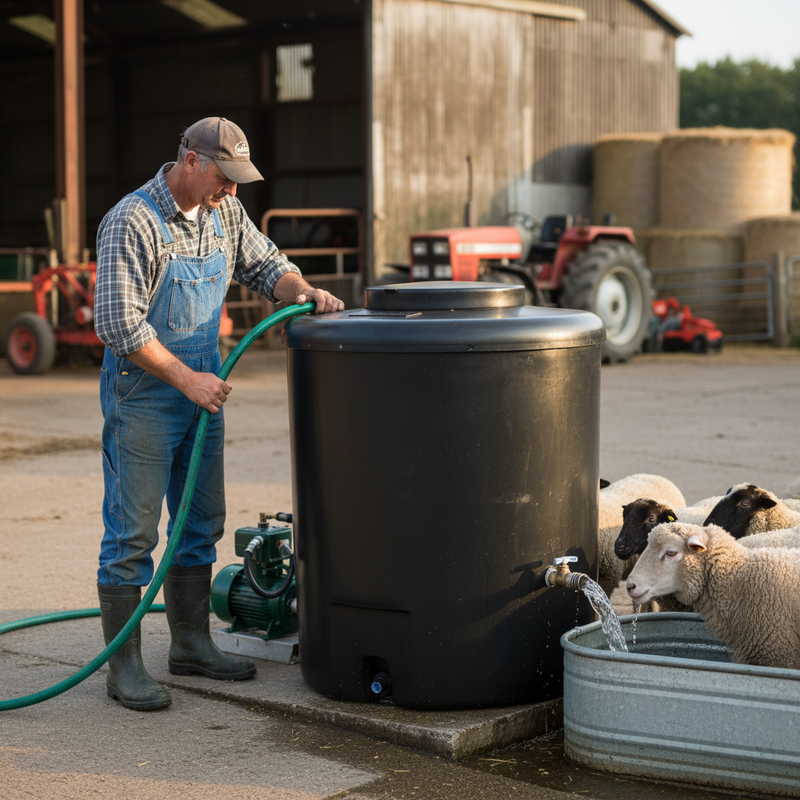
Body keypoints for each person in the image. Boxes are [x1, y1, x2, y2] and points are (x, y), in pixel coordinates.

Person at [93, 116, 343, 711]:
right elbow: (119, 325)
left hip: (203, 388)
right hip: (147, 394)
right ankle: (122, 668)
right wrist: (186, 380)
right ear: (190, 161)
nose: (232, 190)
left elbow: (264, 263)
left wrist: (300, 287)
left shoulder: (224, 212)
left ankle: (190, 643)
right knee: (134, 533)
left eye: (237, 181)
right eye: (223, 178)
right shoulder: (132, 220)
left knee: (201, 522)